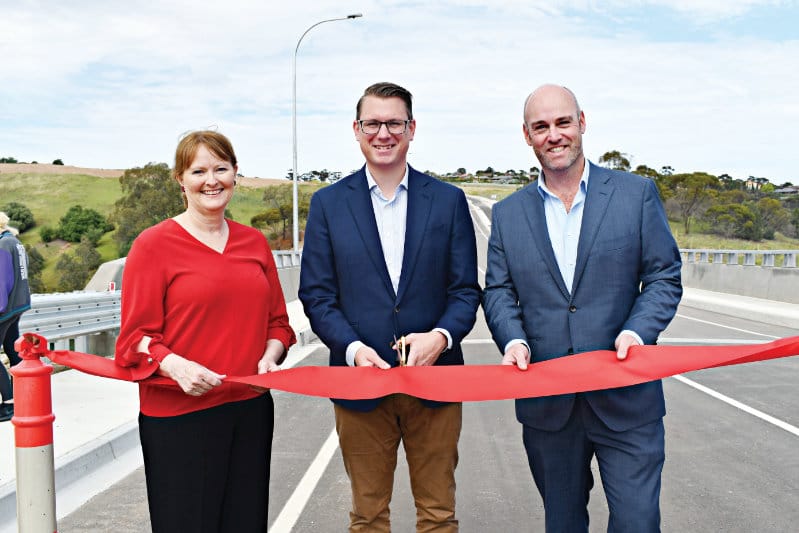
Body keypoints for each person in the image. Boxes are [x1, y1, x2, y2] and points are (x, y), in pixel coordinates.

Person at [483, 84, 682, 532]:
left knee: (637, 522)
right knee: (563, 523)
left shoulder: (636, 194)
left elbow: (664, 276)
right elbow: (497, 290)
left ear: (582, 123)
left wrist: (637, 332)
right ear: (527, 135)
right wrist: (513, 338)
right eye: (541, 127)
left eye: (562, 122)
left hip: (626, 397)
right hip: (549, 406)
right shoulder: (509, 214)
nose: (553, 135)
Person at [299, 81, 480, 532]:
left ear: (412, 128)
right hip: (360, 384)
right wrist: (353, 348)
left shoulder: (449, 201)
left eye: (394, 122)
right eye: (373, 123)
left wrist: (440, 337)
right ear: (356, 130)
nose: (384, 133)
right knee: (368, 516)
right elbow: (317, 296)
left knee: (438, 514)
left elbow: (464, 292)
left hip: (435, 382)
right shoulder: (327, 205)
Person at [114, 130, 296, 533]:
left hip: (249, 410)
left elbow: (279, 325)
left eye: (221, 168)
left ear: (235, 174)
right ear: (181, 179)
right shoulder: (153, 245)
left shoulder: (254, 243)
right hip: (180, 418)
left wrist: (270, 356)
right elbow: (132, 341)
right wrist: (175, 365)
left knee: (245, 523)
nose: (211, 180)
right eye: (199, 170)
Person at [0, 213, 31, 423]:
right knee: (13, 351)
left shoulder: (3, 245)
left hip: (6, 308)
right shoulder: (15, 242)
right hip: (19, 304)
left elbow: (2, 282)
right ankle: (25, 399)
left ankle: (9, 404)